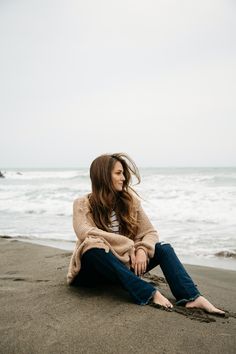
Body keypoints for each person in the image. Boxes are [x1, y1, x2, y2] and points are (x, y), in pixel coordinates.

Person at [67, 153, 224, 315]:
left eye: (124, 173)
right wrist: (128, 245)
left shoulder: (130, 202)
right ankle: (149, 293)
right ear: (104, 176)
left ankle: (191, 297)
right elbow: (84, 232)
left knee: (163, 248)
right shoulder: (83, 203)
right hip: (91, 274)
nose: (124, 178)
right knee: (93, 246)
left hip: (123, 267)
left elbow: (150, 232)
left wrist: (142, 249)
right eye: (118, 173)